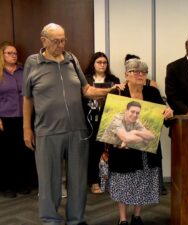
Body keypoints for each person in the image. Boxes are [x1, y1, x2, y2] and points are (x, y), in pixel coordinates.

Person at [22, 23, 122, 225]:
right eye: (56, 41)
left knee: (78, 179)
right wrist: (26, 128)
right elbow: (27, 98)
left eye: (63, 40)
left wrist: (108, 91)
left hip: (77, 130)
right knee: (49, 180)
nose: (61, 44)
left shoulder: (71, 59)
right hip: (47, 131)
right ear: (44, 41)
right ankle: (51, 219)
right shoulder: (33, 63)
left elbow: (86, 90)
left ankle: (76, 219)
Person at [108, 59, 173, 225]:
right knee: (123, 181)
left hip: (146, 148)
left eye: (143, 72)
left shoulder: (152, 92)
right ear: (126, 75)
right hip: (123, 148)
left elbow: (164, 118)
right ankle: (122, 219)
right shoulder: (118, 93)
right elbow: (108, 121)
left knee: (143, 179)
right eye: (134, 71)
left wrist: (168, 112)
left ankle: (137, 216)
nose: (139, 75)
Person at [0, 42, 36, 198]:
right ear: (2, 55)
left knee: (23, 152)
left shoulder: (24, 71)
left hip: (24, 118)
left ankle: (23, 183)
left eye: (15, 53)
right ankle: (7, 186)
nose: (13, 55)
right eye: (9, 53)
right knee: (6, 154)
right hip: (5, 119)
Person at [83, 52, 120, 194]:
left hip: (109, 121)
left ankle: (109, 180)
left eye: (104, 62)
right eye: (99, 62)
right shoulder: (86, 80)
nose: (102, 65)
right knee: (93, 152)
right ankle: (94, 181)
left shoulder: (113, 79)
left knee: (108, 151)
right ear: (93, 63)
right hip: (89, 121)